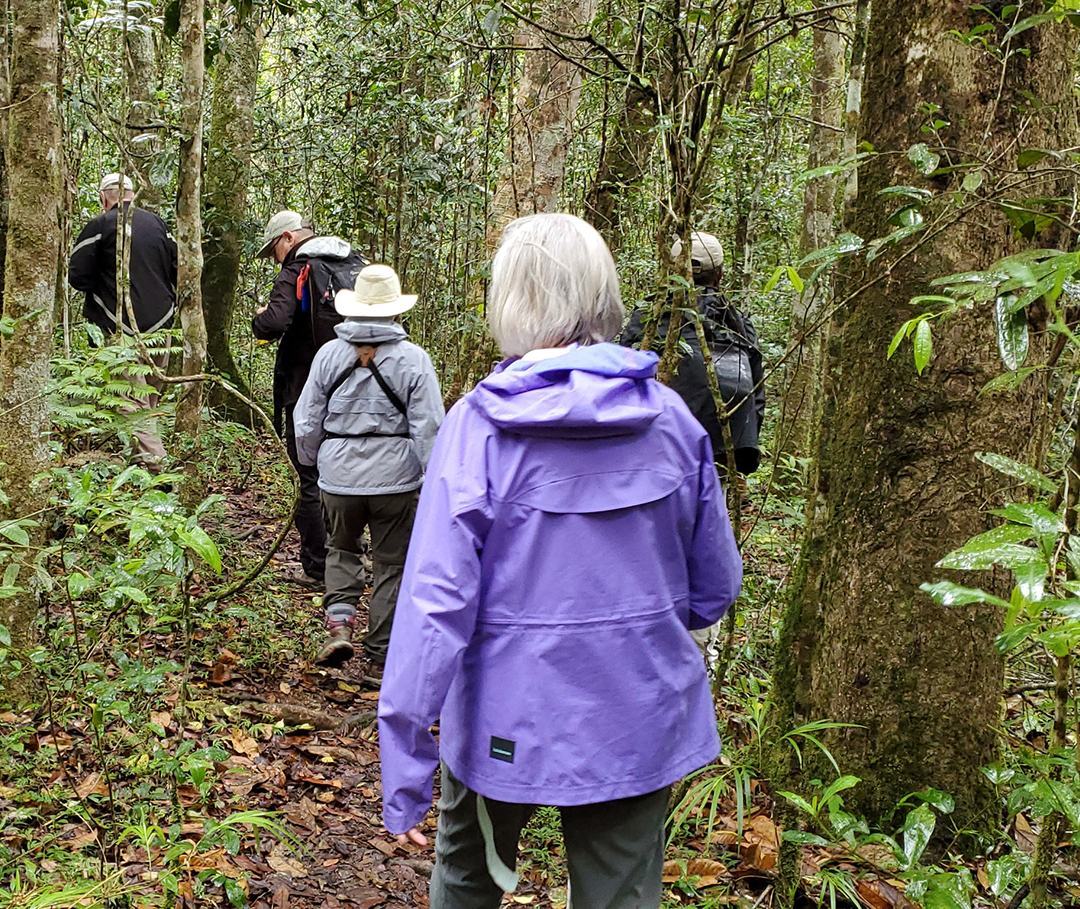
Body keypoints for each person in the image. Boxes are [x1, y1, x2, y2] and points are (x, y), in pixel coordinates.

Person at [379, 213, 743, 909]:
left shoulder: (478, 427)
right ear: (602, 295)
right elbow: (714, 588)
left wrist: (404, 761)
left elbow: (434, 604)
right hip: (636, 712)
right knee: (620, 893)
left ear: (508, 302)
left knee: (467, 876)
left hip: (501, 716)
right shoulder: (671, 422)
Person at [291, 264, 444, 683]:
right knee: (392, 564)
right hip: (397, 478)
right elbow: (429, 426)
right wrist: (434, 479)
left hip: (338, 477)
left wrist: (312, 462)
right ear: (395, 311)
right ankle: (380, 655)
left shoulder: (328, 355)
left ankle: (340, 625)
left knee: (341, 549)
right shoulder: (413, 360)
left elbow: (306, 421)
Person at [252, 210, 366, 586]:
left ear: (288, 238)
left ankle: (319, 568)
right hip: (358, 387)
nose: (275, 258)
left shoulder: (297, 270)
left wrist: (261, 316)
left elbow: (273, 324)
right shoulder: (353, 263)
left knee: (309, 476)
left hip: (305, 389)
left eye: (274, 250)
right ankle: (354, 560)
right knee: (348, 471)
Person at [617, 231, 767, 474]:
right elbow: (757, 393)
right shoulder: (739, 324)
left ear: (672, 272)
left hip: (660, 447)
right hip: (727, 450)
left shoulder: (649, 317)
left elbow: (623, 372)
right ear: (720, 275)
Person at [67, 173, 179, 466]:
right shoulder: (158, 225)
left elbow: (77, 276)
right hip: (161, 325)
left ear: (105, 198)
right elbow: (179, 267)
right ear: (130, 193)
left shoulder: (101, 225)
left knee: (131, 401)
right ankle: (138, 463)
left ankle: (159, 469)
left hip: (120, 329)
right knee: (148, 398)